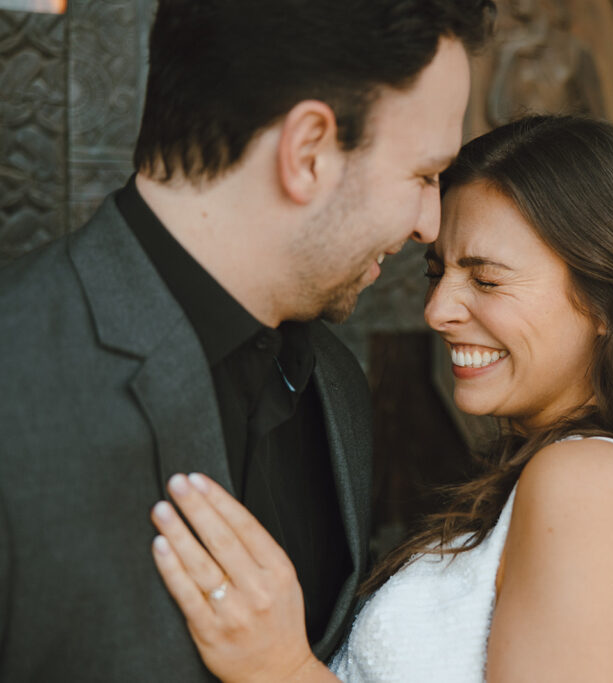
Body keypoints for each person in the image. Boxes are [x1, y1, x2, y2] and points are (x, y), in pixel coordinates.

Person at [0, 1, 492, 680]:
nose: (430, 224)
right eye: (424, 174)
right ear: (308, 150)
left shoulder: (338, 385)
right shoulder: (14, 375)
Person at [148, 115, 613, 682]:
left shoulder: (589, 481)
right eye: (437, 273)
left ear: (609, 298)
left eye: (486, 280)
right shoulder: (591, 471)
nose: (437, 312)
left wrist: (279, 670)